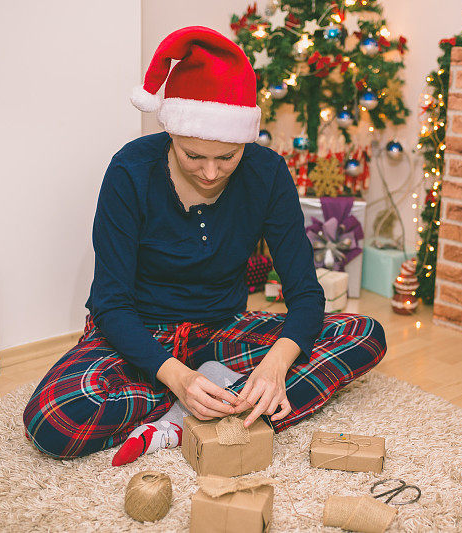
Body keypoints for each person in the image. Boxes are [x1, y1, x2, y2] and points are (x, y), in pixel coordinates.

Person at [22, 26, 387, 465]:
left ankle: (194, 411)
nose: (211, 173)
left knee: (363, 334)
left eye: (227, 157)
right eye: (194, 156)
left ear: (245, 142)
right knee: (53, 419)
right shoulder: (130, 171)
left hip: (220, 329)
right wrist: (177, 377)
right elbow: (111, 303)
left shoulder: (267, 173)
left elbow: (305, 294)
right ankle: (210, 402)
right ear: (172, 132)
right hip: (141, 334)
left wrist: (275, 366)